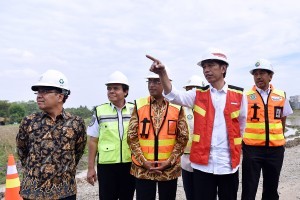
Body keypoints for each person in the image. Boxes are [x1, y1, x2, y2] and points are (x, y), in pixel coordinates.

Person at [146, 48, 247, 200]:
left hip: (228, 165)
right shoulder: (198, 94)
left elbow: (241, 125)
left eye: (211, 65)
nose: (206, 70)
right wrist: (162, 73)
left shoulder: (239, 95)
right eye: (204, 67)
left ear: (223, 68)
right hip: (203, 165)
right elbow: (173, 96)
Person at [16, 69, 87, 200]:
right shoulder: (29, 121)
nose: (39, 95)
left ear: (60, 96)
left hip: (65, 192)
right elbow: (22, 151)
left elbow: (78, 152)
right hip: (33, 192)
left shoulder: (76, 123)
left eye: (45, 91)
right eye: (38, 91)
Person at [127, 70, 188, 200]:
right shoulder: (139, 105)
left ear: (167, 83)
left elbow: (182, 138)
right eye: (149, 81)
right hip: (143, 169)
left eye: (157, 81)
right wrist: (144, 162)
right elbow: (132, 137)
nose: (151, 85)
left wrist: (169, 161)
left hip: (168, 170)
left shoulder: (177, 106)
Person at [241, 59, 293, 200]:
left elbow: (283, 118)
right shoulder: (245, 96)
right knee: (249, 188)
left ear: (270, 76)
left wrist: (279, 138)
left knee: (271, 188)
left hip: (275, 150)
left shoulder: (281, 95)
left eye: (262, 73)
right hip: (252, 150)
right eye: (255, 74)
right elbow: (239, 121)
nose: (258, 77)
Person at [86, 71, 135, 200]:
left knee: (127, 197)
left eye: (115, 88)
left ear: (125, 91)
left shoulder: (135, 110)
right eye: (109, 88)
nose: (111, 91)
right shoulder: (100, 111)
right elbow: (93, 141)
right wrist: (91, 168)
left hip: (130, 164)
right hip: (107, 166)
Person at [181, 75, 205, 200]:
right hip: (186, 158)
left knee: (204, 194)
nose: (192, 92)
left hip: (204, 158)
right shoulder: (180, 109)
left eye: (196, 89)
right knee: (190, 193)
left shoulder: (209, 108)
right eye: (189, 89)